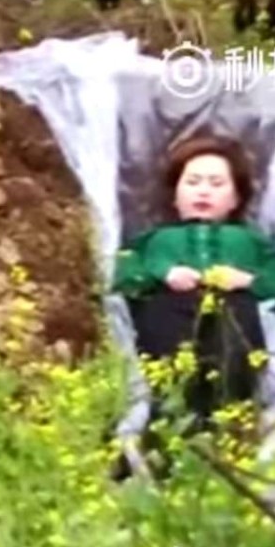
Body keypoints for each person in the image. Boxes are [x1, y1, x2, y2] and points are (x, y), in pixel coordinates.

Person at [113, 134, 275, 437]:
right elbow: (124, 270)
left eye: (216, 184)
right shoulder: (156, 238)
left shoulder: (251, 239)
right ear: (175, 196)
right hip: (169, 307)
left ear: (236, 199)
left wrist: (248, 280)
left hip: (234, 308)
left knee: (232, 361)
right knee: (169, 367)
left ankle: (228, 427)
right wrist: (163, 273)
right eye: (193, 182)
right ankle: (168, 430)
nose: (203, 191)